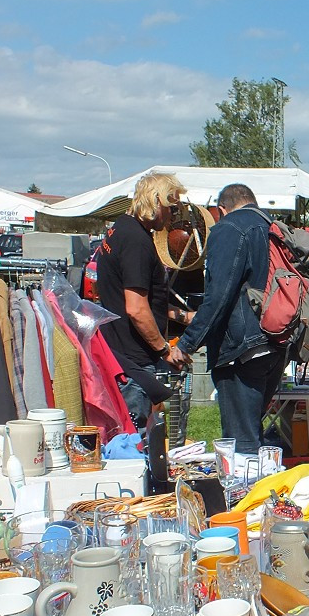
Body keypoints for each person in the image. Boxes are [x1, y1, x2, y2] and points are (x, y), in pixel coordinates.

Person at [169, 183, 288, 454]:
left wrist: (186, 344)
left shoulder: (229, 228)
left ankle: (246, 495)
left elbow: (219, 295)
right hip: (276, 342)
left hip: (242, 347)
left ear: (222, 209)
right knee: (251, 432)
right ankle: (262, 491)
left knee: (241, 444)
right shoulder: (273, 226)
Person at [98, 172, 184, 427]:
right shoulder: (136, 240)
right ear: (157, 202)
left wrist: (182, 315)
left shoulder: (121, 228)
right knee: (134, 441)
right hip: (132, 360)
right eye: (172, 208)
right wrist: (163, 349)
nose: (173, 216)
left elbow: (137, 296)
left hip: (120, 350)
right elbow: (135, 308)